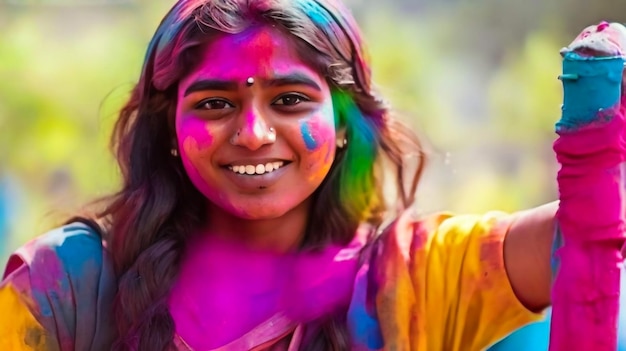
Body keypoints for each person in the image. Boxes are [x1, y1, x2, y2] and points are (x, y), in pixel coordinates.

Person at [0, 1, 624, 350]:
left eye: (291, 100)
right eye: (215, 104)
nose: (253, 133)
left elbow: (587, 239)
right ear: (167, 129)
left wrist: (595, 143)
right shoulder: (64, 289)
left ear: (347, 122)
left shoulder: (415, 279)